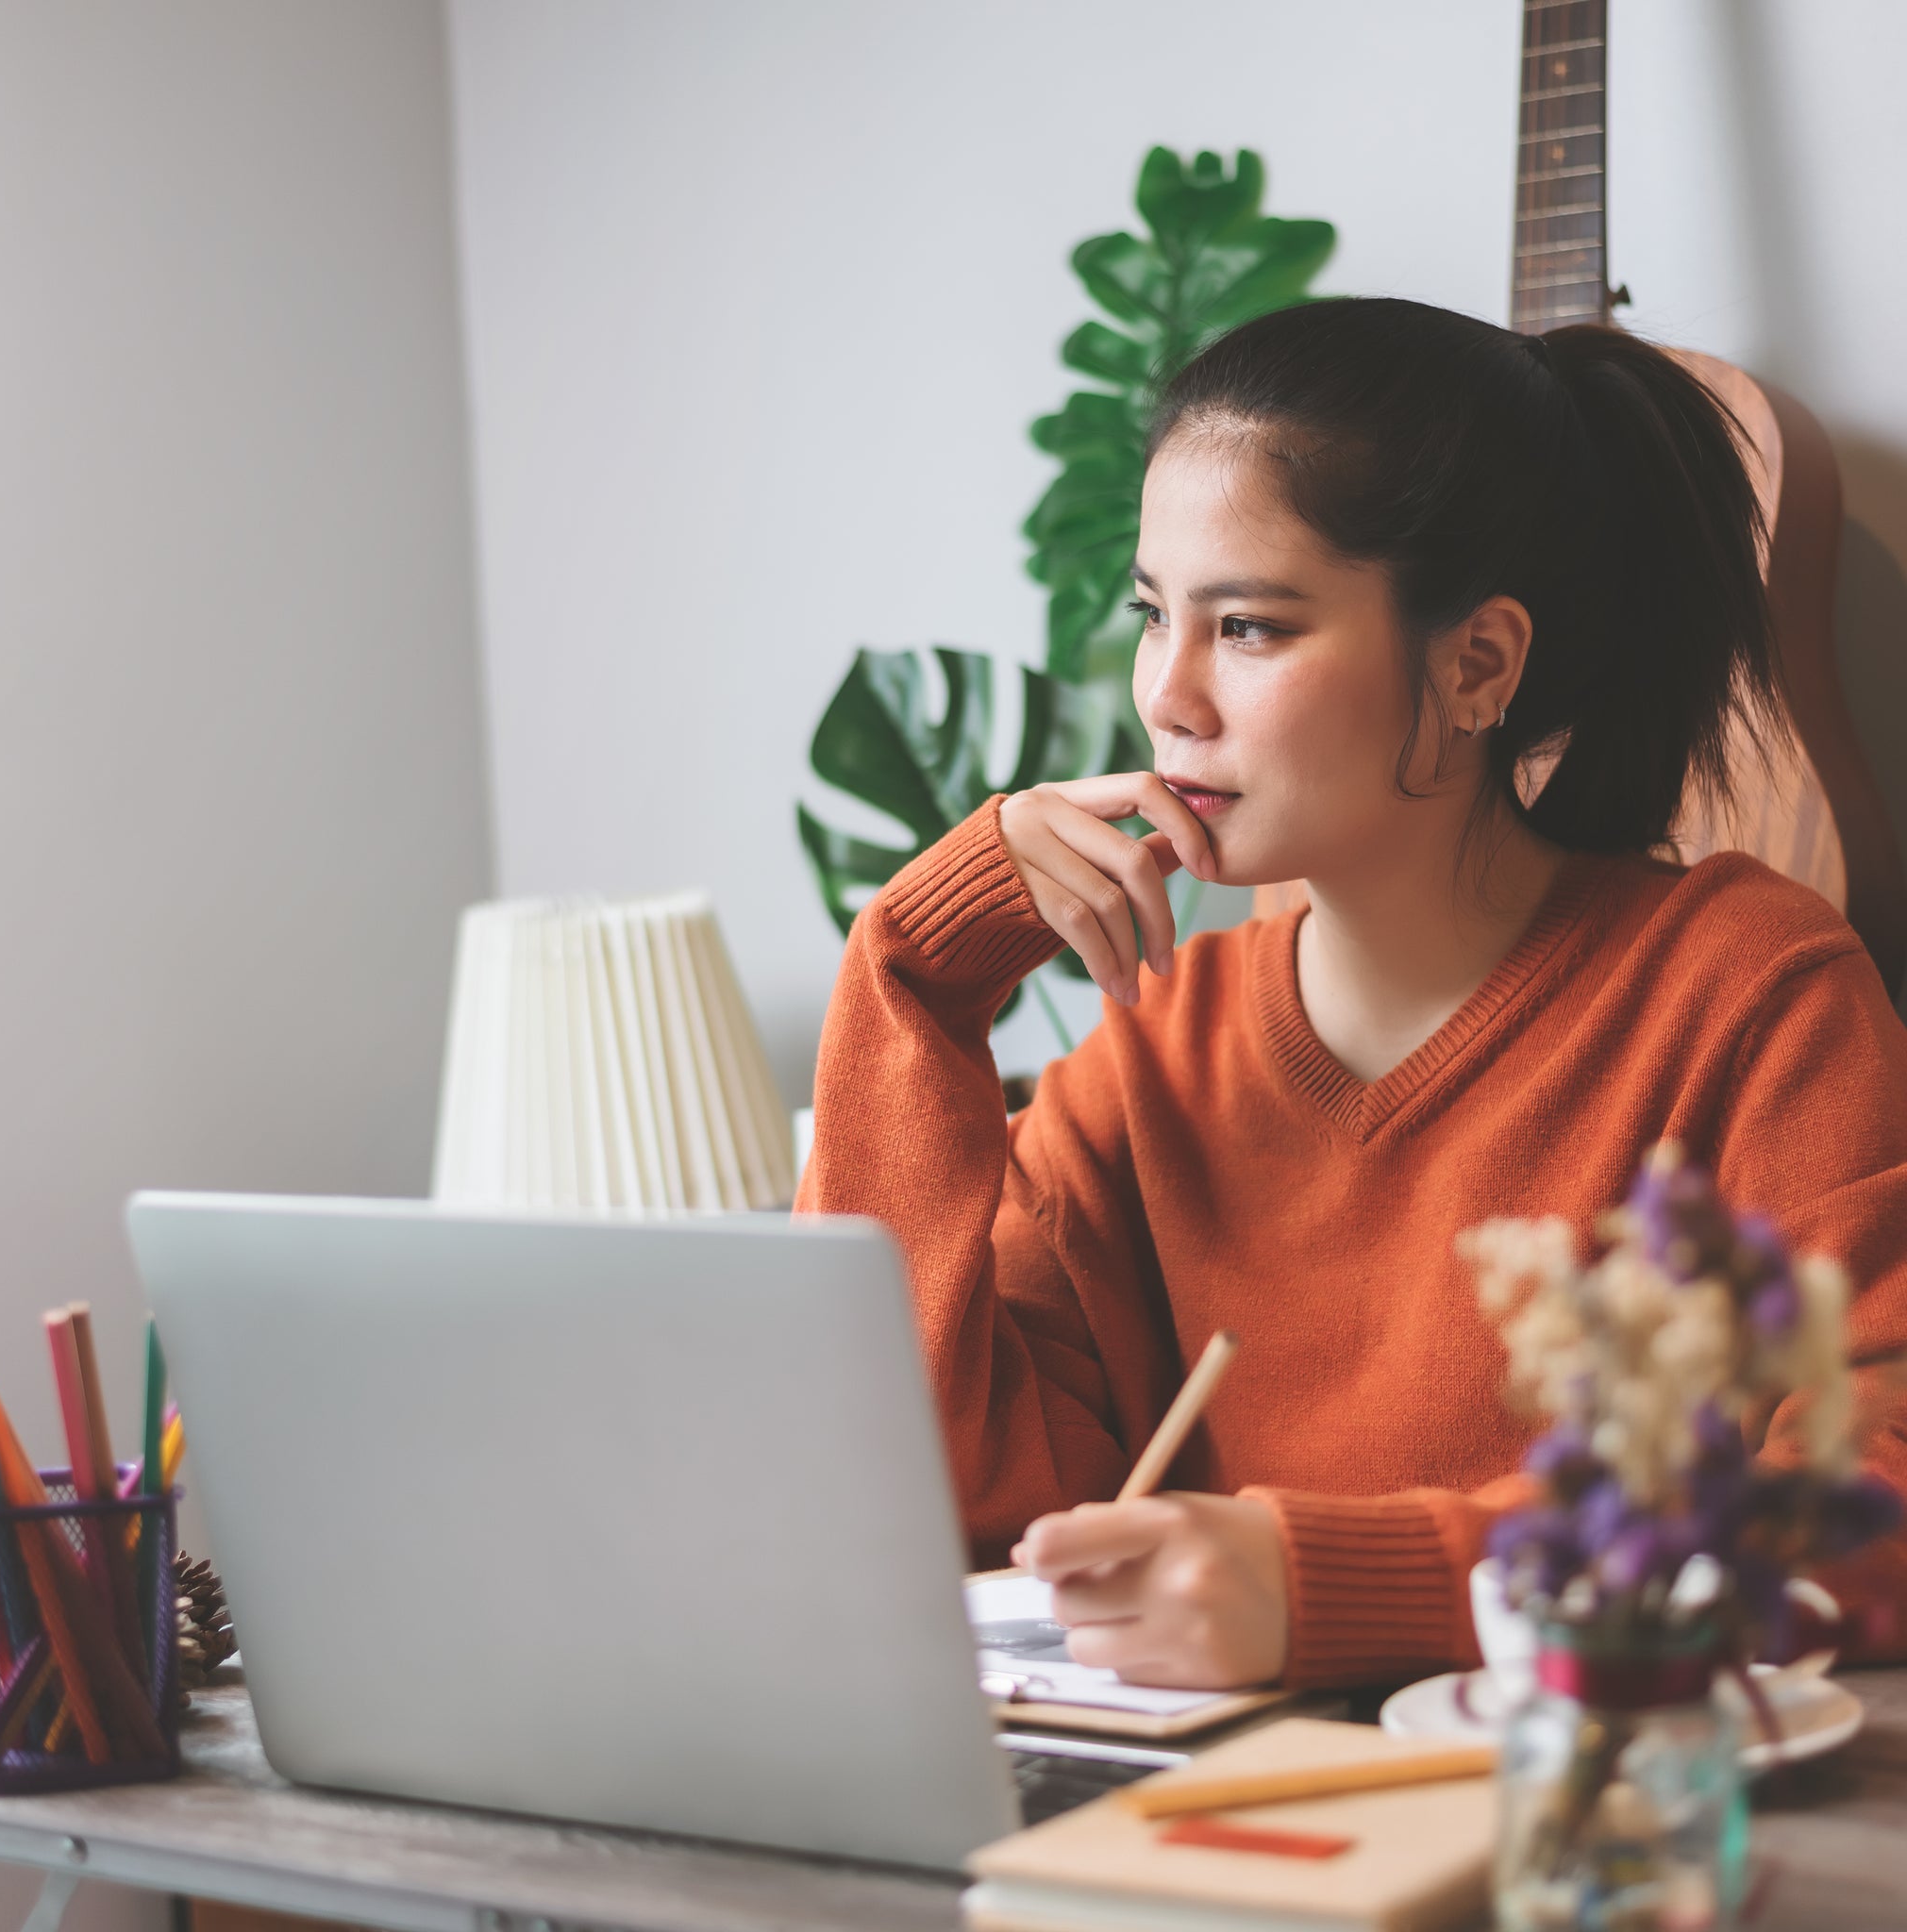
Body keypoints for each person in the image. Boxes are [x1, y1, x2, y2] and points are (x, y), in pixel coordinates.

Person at [798, 297, 1907, 1690]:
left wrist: (1348, 1587)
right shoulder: (1154, 1055)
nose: (1168, 698)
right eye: (1155, 616)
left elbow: (1864, 1505)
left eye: (1250, 628)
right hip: (1200, 1845)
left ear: (1477, 664)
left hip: (1591, 1828)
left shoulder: (1748, 994)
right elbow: (943, 1491)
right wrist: (916, 970)